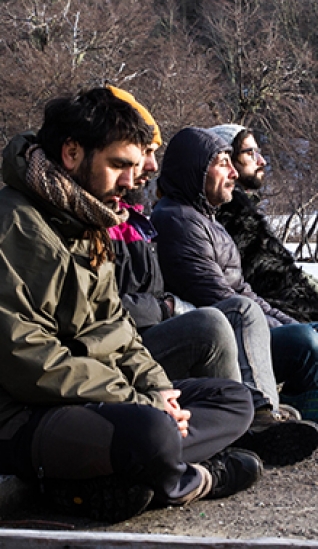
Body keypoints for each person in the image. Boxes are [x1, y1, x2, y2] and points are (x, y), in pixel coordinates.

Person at [0, 88, 261, 523]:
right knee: (152, 432)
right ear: (71, 153)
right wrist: (137, 402)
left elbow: (118, 330)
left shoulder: (89, 218)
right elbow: (26, 359)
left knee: (233, 399)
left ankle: (110, 476)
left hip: (94, 401)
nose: (129, 180)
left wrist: (157, 389)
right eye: (119, 165)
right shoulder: (13, 224)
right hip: (22, 415)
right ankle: (192, 479)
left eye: (134, 168)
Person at [103, 86, 318, 466]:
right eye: (141, 154)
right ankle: (257, 422)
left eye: (152, 154)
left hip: (137, 341)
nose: (150, 167)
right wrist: (167, 307)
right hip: (112, 355)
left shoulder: (138, 220)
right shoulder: (172, 220)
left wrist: (317, 304)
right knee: (235, 318)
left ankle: (262, 414)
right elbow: (102, 310)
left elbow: (278, 273)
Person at [150, 127, 318, 423]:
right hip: (229, 339)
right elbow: (221, 300)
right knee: (306, 339)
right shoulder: (178, 221)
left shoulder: (207, 219)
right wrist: (294, 332)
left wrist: (293, 325)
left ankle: (298, 399)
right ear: (196, 170)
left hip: (250, 324)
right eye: (223, 163)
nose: (234, 174)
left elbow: (247, 291)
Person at [210, 123, 318, 323]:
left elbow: (283, 266)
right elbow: (270, 273)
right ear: (227, 160)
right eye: (250, 153)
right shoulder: (232, 214)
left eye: (258, 153)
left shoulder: (243, 209)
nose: (261, 161)